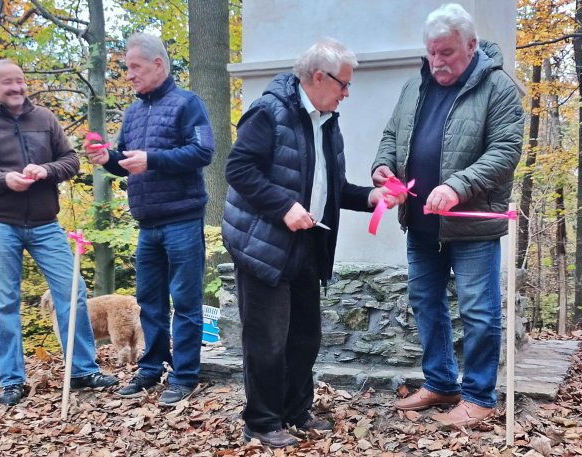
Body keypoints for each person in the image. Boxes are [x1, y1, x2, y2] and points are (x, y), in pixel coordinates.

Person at [222, 38, 399, 448]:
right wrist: (284, 206)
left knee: (305, 335)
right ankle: (262, 422)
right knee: (267, 339)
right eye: (343, 84)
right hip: (262, 244)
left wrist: (370, 197)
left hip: (307, 243)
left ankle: (296, 413)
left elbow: (331, 188)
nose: (347, 93)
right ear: (318, 77)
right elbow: (239, 169)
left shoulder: (327, 121)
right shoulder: (268, 113)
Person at [371, 3, 524, 428]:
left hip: (472, 224)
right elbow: (391, 135)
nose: (437, 62)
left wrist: (458, 185)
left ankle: (479, 395)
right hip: (420, 224)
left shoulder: (498, 87)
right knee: (425, 303)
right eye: (432, 52)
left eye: (447, 53)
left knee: (478, 310)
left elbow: (506, 151)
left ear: (471, 46)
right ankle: (440, 382)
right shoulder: (414, 85)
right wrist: (382, 169)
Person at [0, 59, 119, 407]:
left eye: (20, 81)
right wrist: (3, 180)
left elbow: (71, 161)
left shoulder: (45, 119)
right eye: (7, 83)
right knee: (4, 303)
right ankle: (12, 380)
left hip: (46, 225)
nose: (16, 88)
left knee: (72, 292)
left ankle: (81, 370)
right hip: (1, 225)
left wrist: (45, 171)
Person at [84, 33, 214, 406]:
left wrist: (152, 159)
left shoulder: (189, 104)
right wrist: (106, 156)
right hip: (146, 222)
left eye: (134, 67)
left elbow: (203, 151)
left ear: (158, 64)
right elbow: (126, 160)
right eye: (127, 68)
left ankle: (185, 375)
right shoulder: (134, 112)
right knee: (149, 301)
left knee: (186, 301)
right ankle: (151, 366)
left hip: (183, 220)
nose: (128, 75)